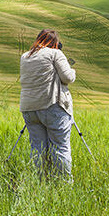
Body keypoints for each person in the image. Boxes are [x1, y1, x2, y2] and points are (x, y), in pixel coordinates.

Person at [19, 29, 75, 179]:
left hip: (29, 109)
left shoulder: (25, 56)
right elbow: (67, 77)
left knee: (38, 148)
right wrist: (73, 70)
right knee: (60, 147)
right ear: (54, 43)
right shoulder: (55, 53)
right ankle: (63, 185)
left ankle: (39, 181)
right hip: (52, 106)